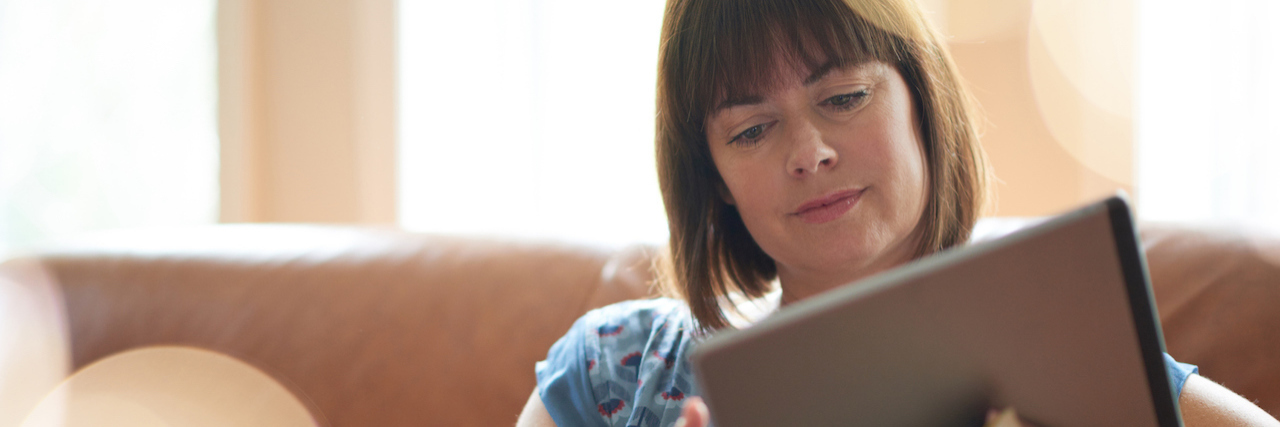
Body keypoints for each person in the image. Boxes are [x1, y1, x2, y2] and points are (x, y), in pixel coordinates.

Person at [516, 0, 1280, 426]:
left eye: (844, 97)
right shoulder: (614, 371)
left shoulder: (1066, 363)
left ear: (921, 99)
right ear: (711, 175)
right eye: (751, 129)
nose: (808, 152)